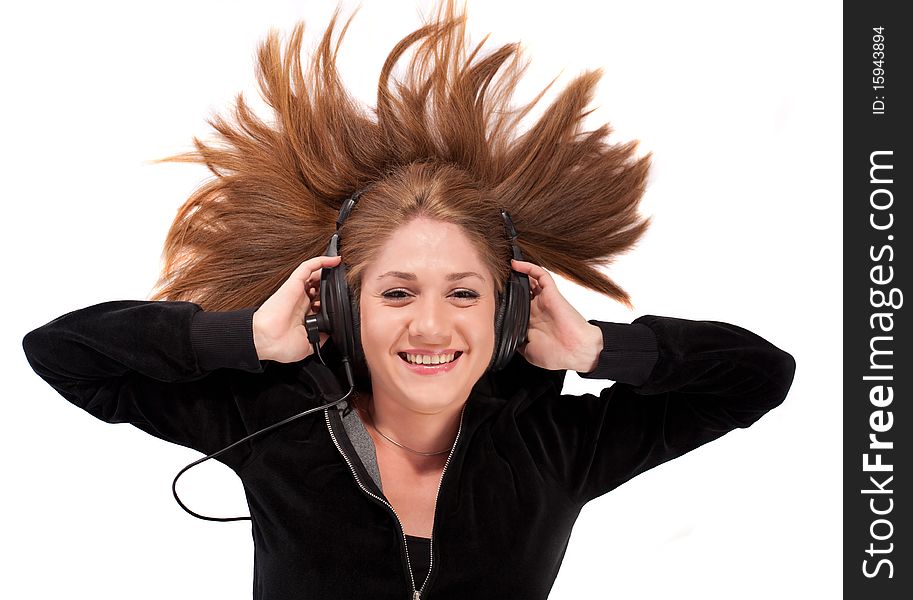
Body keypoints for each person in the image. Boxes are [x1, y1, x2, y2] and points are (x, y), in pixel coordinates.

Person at [21, 1, 796, 598]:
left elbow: (758, 377)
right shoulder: (266, 422)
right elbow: (64, 354)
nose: (431, 324)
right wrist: (247, 340)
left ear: (509, 309)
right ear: (339, 304)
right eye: (396, 292)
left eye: (464, 292)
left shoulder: (560, 447)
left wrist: (597, 348)